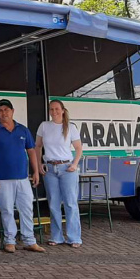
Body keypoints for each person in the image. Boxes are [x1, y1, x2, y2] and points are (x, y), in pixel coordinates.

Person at [0, 99, 46, 253]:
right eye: (0, 110)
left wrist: (36, 171)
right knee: (7, 210)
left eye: (6, 110)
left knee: (26, 209)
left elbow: (31, 151)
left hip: (23, 178)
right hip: (3, 179)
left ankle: (29, 241)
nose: (4, 113)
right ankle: (9, 240)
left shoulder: (23, 130)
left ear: (12, 111)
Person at [36, 100, 84, 247]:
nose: (54, 112)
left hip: (66, 168)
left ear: (63, 110)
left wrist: (75, 165)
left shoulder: (70, 127)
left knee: (70, 203)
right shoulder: (44, 126)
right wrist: (39, 165)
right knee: (53, 204)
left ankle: (74, 238)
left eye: (57, 109)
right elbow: (37, 147)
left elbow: (78, 148)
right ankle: (57, 237)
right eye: (51, 109)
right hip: (50, 168)